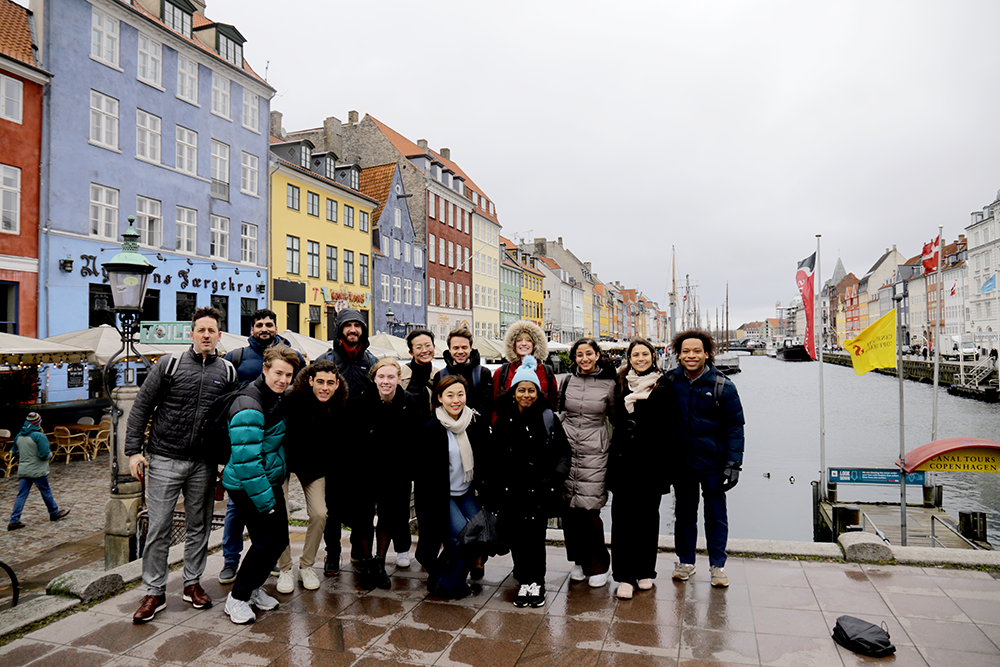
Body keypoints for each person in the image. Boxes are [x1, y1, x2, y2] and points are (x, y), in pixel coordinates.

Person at [125, 307, 237, 623]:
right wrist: (134, 451)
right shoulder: (169, 365)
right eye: (200, 330)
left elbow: (227, 421)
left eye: (211, 330)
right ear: (191, 334)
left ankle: (191, 584)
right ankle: (154, 591)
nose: (205, 335)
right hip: (163, 458)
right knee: (159, 525)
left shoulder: (227, 372)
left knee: (198, 525)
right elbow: (140, 408)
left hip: (203, 463)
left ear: (218, 336)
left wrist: (223, 463)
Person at [219, 309, 304, 585]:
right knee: (263, 537)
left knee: (270, 540)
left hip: (267, 471)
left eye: (288, 375)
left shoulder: (277, 394)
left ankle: (252, 587)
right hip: (250, 475)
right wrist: (267, 504)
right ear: (265, 370)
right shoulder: (240, 363)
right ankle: (237, 584)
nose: (284, 379)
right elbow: (247, 461)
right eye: (259, 324)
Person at [488, 355, 570, 608]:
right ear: (513, 392)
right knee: (517, 538)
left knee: (535, 538)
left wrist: (554, 479)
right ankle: (524, 579)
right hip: (512, 491)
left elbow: (563, 452)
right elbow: (495, 456)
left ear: (538, 392)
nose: (526, 395)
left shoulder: (547, 418)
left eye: (531, 390)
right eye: (521, 390)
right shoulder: (503, 420)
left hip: (538, 490)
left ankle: (537, 582)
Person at [666, 329, 745, 589]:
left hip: (713, 464)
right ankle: (685, 561)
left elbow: (735, 427)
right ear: (678, 355)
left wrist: (733, 464)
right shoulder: (669, 382)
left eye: (696, 351)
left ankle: (717, 566)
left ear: (706, 353)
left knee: (715, 515)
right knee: (685, 515)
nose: (691, 356)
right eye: (686, 351)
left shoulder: (722, 385)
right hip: (682, 463)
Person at [608, 337, 676, 600]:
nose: (640, 359)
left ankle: (645, 571)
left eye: (645, 354)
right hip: (624, 461)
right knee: (623, 519)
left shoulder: (664, 384)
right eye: (635, 355)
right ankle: (624, 575)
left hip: (652, 462)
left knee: (648, 519)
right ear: (629, 357)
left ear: (653, 356)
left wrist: (667, 465)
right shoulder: (620, 383)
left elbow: (670, 426)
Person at [273, 360, 348, 594]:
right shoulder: (291, 398)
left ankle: (306, 565)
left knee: (319, 513)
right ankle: (285, 568)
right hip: (283, 460)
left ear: (336, 384)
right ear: (311, 381)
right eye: (320, 382)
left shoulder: (339, 404)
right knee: (280, 513)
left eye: (330, 383)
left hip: (314, 465)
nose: (324, 388)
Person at [414, 375, 489, 599]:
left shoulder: (473, 422)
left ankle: (445, 578)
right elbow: (424, 473)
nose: (456, 400)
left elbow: (485, 458)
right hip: (441, 494)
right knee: (459, 536)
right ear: (439, 398)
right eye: (450, 395)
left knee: (480, 531)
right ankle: (446, 582)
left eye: (460, 394)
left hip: (465, 490)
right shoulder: (433, 428)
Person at [352, 358, 419, 590]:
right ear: (374, 379)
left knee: (389, 515)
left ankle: (380, 561)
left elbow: (415, 439)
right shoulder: (361, 401)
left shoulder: (410, 402)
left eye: (391, 377)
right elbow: (354, 439)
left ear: (399, 379)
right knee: (363, 517)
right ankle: (368, 563)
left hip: (396, 471)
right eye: (381, 377)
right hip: (365, 469)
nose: (386, 381)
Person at [319, 308, 378, 569]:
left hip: (364, 446)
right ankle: (332, 553)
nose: (353, 330)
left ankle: (358, 548)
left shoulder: (371, 360)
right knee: (331, 505)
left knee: (364, 504)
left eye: (358, 325)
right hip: (332, 445)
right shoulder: (327, 360)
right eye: (348, 325)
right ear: (339, 329)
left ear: (363, 330)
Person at [559, 337, 616, 589]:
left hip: (595, 449)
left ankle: (599, 564)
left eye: (588, 354)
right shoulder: (567, 381)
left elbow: (614, 418)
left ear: (597, 355)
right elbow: (559, 410)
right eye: (579, 355)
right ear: (574, 358)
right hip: (567, 446)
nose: (584, 359)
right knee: (569, 509)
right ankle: (579, 561)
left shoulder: (609, 384)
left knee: (590, 510)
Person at [394, 328, 439, 568]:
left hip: (428, 447)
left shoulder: (440, 374)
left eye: (428, 345)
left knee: (426, 502)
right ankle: (402, 548)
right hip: (404, 445)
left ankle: (425, 551)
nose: (424, 350)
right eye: (419, 347)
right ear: (411, 351)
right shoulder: (402, 372)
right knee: (401, 499)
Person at [7, 412, 70, 531]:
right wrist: (51, 455)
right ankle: (54, 513)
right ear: (38, 423)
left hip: (24, 470)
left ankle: (14, 520)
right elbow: (44, 454)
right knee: (46, 491)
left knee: (21, 495)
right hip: (38, 470)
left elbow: (14, 453)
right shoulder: (39, 436)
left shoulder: (19, 436)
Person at [493, 320, 558, 414]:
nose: (523, 344)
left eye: (528, 340)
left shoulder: (546, 371)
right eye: (519, 340)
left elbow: (553, 403)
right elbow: (495, 405)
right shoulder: (502, 372)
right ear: (513, 345)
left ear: (535, 344)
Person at [433, 326, 493, 417]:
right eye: (456, 348)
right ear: (449, 349)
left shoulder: (482, 374)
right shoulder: (440, 376)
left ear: (471, 348)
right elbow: (437, 407)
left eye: (464, 347)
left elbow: (486, 408)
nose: (460, 352)